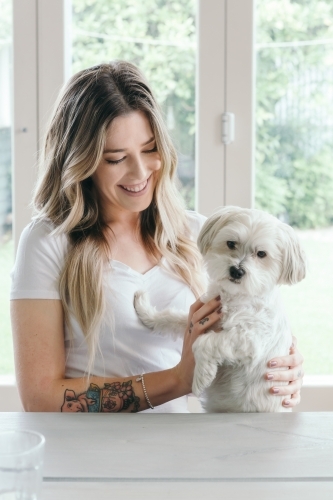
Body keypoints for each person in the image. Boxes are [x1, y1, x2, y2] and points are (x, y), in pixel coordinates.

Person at [10, 61, 304, 413]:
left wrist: (283, 371)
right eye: (116, 158)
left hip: (190, 450)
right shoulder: (48, 244)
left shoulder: (200, 233)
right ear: (80, 163)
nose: (140, 172)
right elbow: (39, 397)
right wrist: (178, 379)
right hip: (93, 456)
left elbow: (257, 325)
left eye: (150, 149)